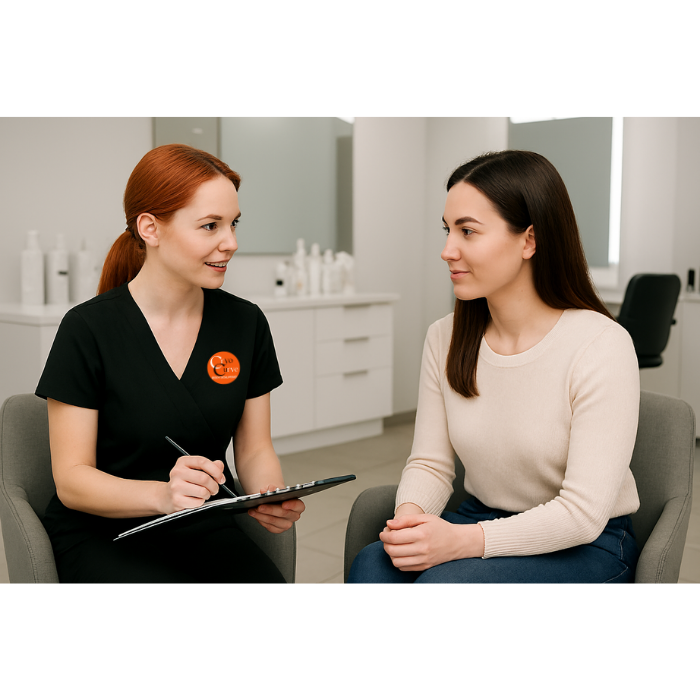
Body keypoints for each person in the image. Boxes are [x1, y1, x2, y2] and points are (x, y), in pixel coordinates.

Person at [347, 150, 641, 584]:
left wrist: (464, 542)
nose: (448, 250)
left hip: (585, 543)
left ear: (529, 240)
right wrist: (411, 522)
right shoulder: (444, 337)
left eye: (468, 231)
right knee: (373, 566)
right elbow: (430, 463)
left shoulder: (601, 344)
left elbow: (582, 514)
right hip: (480, 517)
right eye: (447, 231)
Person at [36, 143, 304, 583]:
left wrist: (266, 494)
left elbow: (254, 448)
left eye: (234, 224)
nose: (231, 242)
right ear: (150, 228)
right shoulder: (87, 329)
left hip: (203, 525)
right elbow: (72, 480)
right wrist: (165, 495)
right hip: (105, 532)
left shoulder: (245, 323)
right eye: (210, 226)